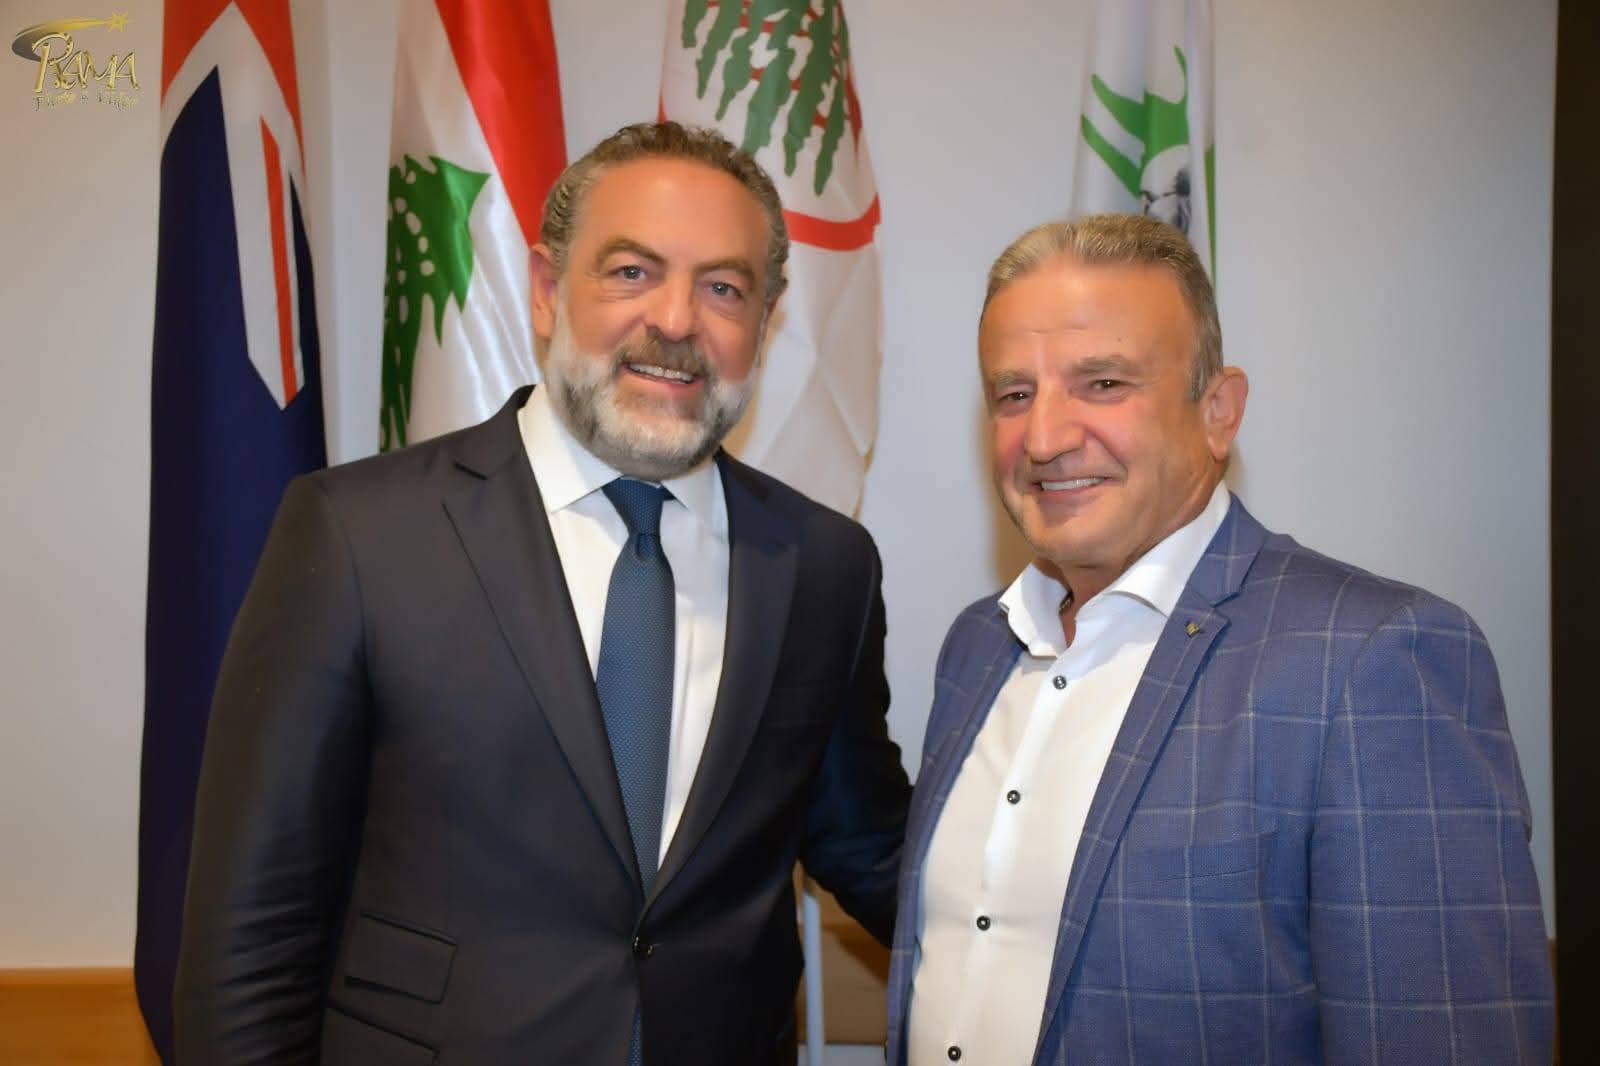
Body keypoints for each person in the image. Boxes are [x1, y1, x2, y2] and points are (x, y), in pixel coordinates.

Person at [175, 121, 909, 1065]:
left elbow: (870, 845)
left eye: (724, 288)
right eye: (632, 271)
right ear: (546, 290)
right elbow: (252, 936)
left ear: (765, 323)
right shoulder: (358, 536)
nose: (677, 320)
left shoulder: (824, 566)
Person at [885, 214, 1553, 1064]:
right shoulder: (978, 647)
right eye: (1014, 394)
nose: (1045, 438)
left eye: (1103, 383)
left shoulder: (1371, 660)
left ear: (1218, 412)